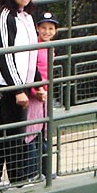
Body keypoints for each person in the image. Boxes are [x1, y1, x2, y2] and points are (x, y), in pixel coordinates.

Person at [0, 0, 41, 188]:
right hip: (7, 83)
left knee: (6, 129)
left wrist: (35, 82)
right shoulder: (5, 18)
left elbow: (30, 54)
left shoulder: (25, 16)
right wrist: (18, 89)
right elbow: (5, 55)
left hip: (22, 82)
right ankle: (16, 179)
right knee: (14, 131)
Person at [23, 11, 58, 181]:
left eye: (50, 28)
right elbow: (30, 71)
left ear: (55, 31)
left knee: (44, 131)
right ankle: (31, 172)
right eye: (43, 28)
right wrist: (35, 91)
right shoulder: (34, 47)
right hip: (36, 95)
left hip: (45, 94)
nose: (46, 31)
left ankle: (45, 169)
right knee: (32, 132)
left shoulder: (50, 47)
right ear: (37, 28)